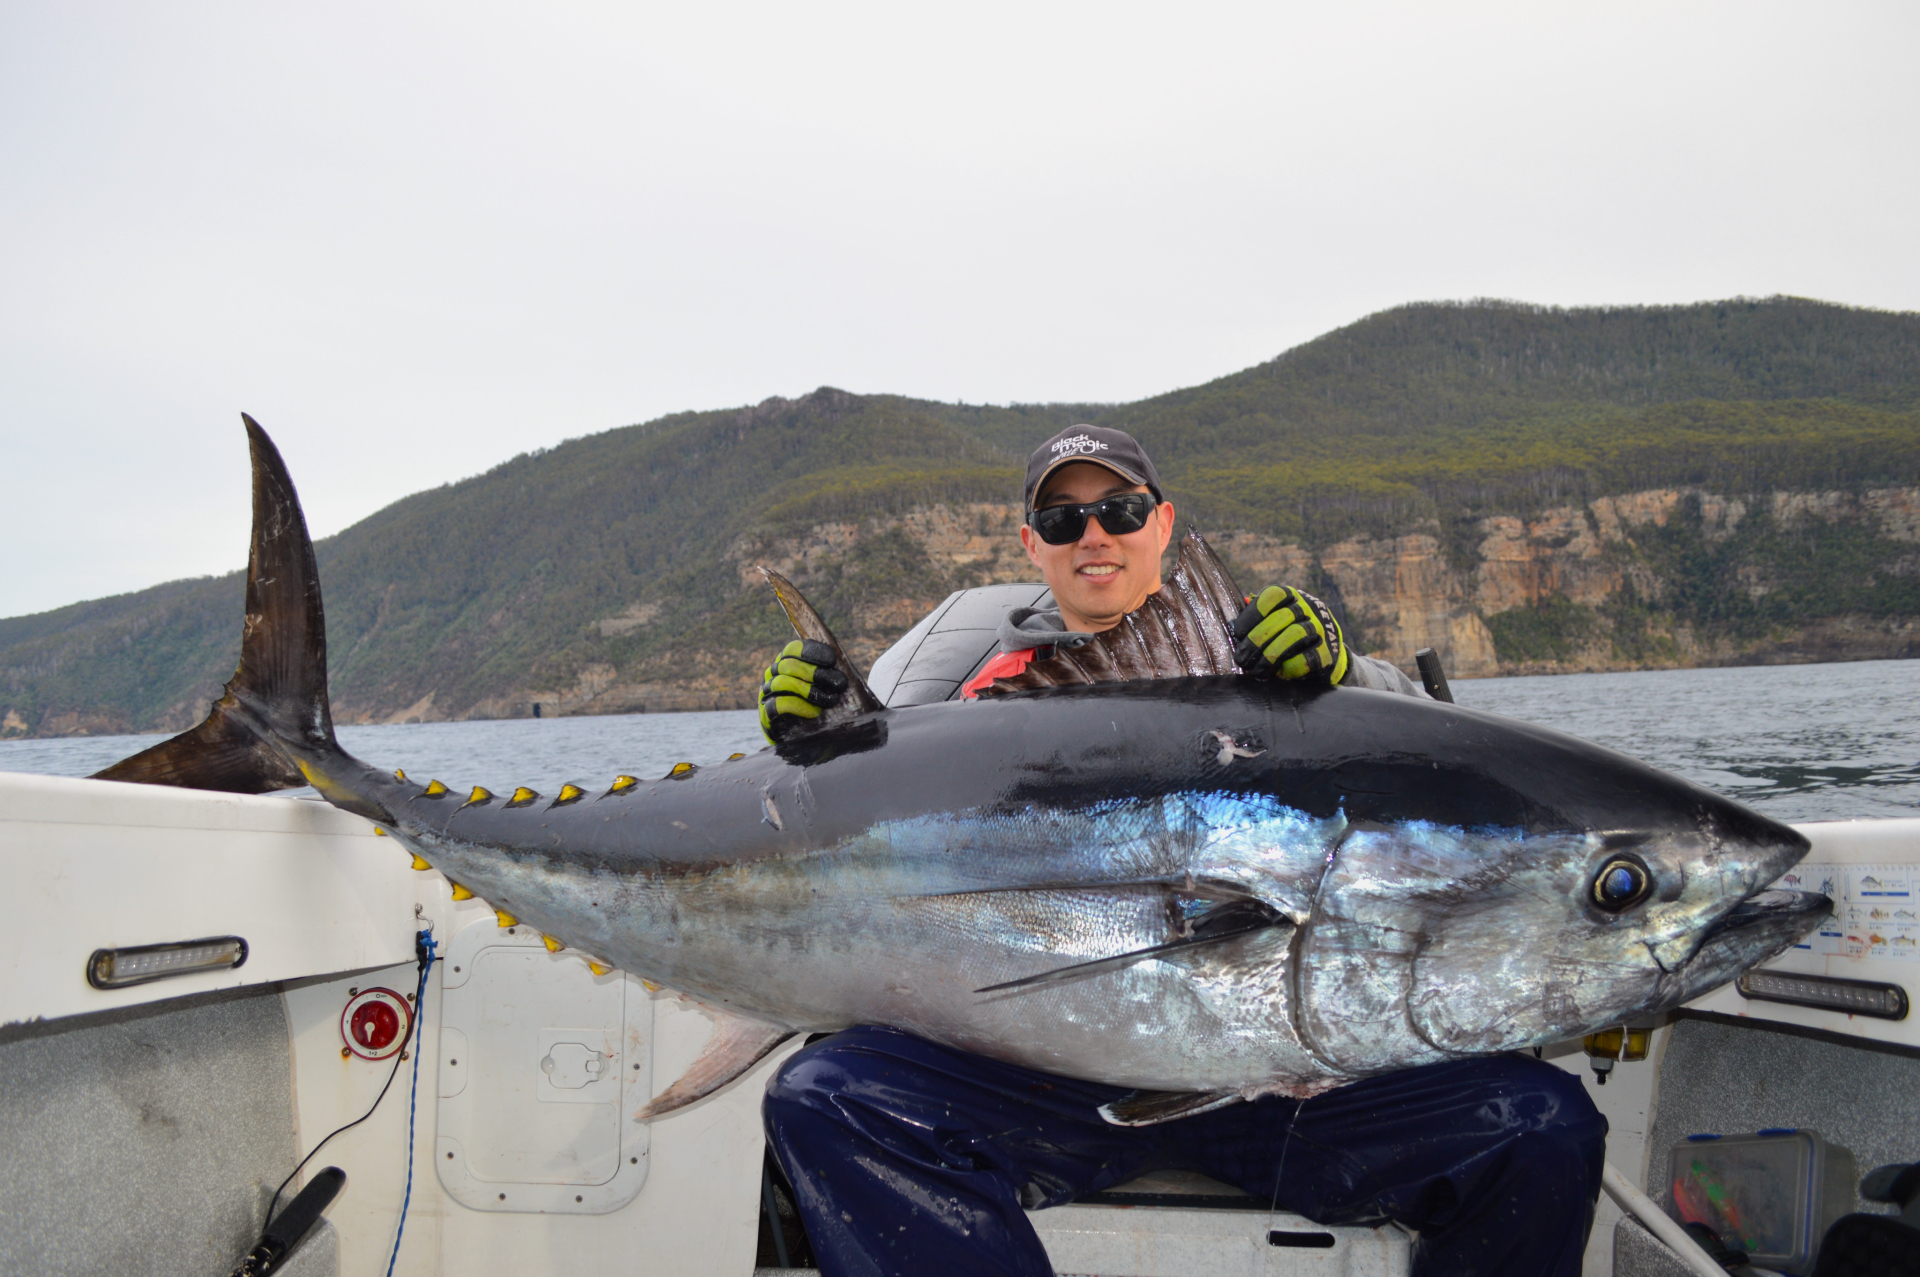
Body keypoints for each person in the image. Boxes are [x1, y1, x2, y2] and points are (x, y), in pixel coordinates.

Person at [752, 425, 1607, 1277]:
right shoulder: (965, 698)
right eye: (1062, 520)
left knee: (1541, 1127)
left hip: (1292, 1071)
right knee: (826, 1096)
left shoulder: (1270, 664)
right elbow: (871, 832)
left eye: (1118, 510)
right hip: (1045, 1071)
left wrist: (1344, 677)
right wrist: (815, 749)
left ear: (1161, 523)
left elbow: (1434, 765)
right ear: (1031, 546)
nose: (1093, 535)